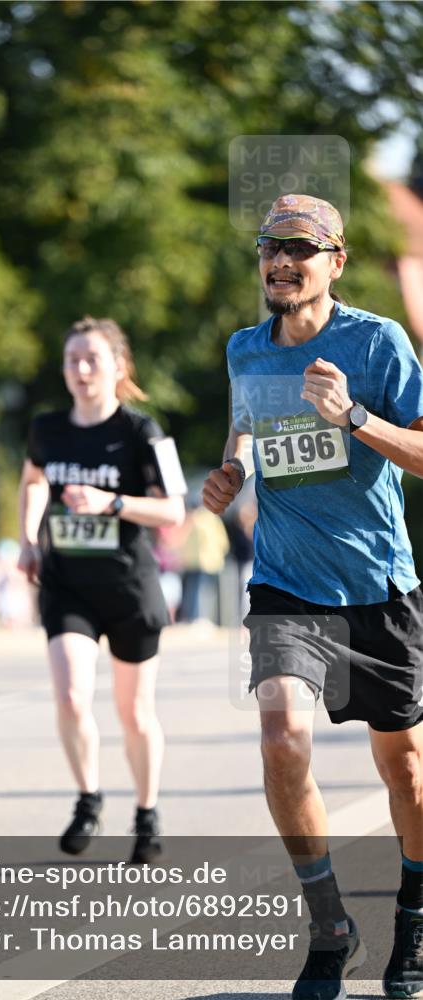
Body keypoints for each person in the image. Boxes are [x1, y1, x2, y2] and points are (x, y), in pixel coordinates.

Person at [203, 194, 423, 1000]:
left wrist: (354, 414)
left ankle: (413, 913)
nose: (280, 260)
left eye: (300, 247)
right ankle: (329, 925)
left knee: (406, 772)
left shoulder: (376, 343)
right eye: (269, 246)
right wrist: (228, 473)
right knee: (280, 734)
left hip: (377, 586)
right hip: (286, 583)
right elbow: (243, 434)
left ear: (335, 260)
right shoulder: (244, 351)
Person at [18, 316, 186, 863]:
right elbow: (33, 480)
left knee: (134, 712)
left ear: (118, 366)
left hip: (129, 586)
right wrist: (27, 538)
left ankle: (147, 811)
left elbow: (173, 510)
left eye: (93, 358)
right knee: (69, 694)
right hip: (68, 585)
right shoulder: (47, 428)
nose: (82, 369)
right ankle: (89, 797)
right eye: (72, 360)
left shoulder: (143, 433)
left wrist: (110, 501)